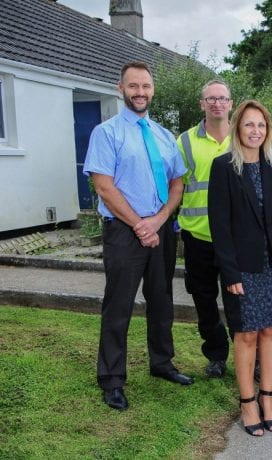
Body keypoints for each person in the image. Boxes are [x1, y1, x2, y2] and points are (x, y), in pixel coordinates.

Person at [83, 61, 191, 412]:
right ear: (121, 89)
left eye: (145, 86)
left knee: (161, 301)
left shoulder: (163, 135)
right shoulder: (107, 132)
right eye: (133, 86)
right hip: (123, 233)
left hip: (158, 229)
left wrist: (158, 220)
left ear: (152, 90)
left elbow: (177, 182)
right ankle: (112, 379)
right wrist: (139, 225)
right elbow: (104, 186)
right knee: (119, 306)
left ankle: (162, 364)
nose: (140, 92)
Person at [207, 100, 272, 437]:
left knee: (270, 332)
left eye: (261, 125)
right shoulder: (223, 168)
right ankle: (247, 403)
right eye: (249, 125)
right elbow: (219, 225)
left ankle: (268, 400)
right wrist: (229, 272)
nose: (255, 131)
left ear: (268, 130)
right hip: (242, 268)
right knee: (246, 334)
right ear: (237, 128)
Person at [176, 79, 232, 378]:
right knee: (204, 301)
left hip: (235, 239)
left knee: (240, 302)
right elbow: (175, 186)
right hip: (198, 237)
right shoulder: (184, 142)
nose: (216, 103)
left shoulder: (243, 137)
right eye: (210, 99)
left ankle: (250, 358)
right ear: (202, 104)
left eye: (222, 98)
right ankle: (216, 355)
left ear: (230, 104)